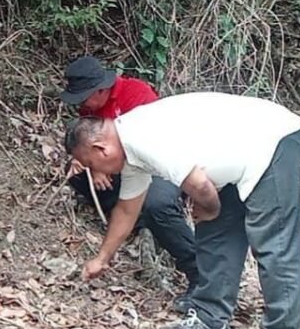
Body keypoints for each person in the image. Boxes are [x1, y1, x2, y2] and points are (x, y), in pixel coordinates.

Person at [64, 93, 300, 329]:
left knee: (274, 244)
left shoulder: (141, 138)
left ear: (101, 149)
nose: (93, 171)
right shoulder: (129, 149)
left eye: (90, 164)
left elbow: (200, 186)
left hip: (270, 140)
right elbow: (127, 210)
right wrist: (102, 258)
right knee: (216, 235)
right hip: (237, 154)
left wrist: (209, 209)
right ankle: (210, 319)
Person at [60, 56, 198, 312]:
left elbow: (155, 148)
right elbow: (90, 147)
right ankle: (139, 221)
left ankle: (199, 275)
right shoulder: (89, 109)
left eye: (83, 98)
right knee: (77, 175)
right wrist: (92, 168)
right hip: (124, 168)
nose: (81, 105)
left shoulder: (136, 94)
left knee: (157, 204)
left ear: (100, 90)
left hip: (159, 165)